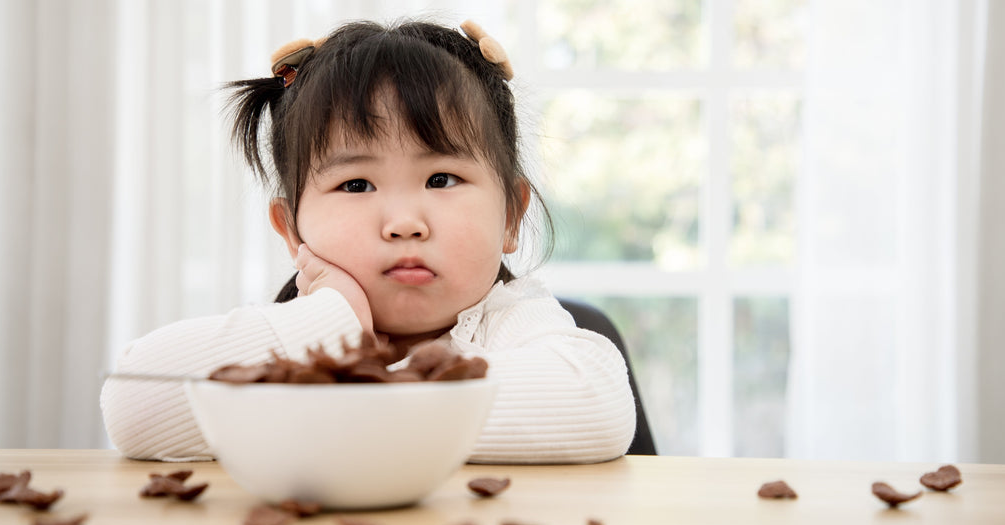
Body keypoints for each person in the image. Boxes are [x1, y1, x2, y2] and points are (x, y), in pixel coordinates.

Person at [100, 19, 636, 464]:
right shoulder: (291, 335)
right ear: (292, 230)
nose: (404, 222)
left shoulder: (515, 320)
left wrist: (342, 405)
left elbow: (598, 403)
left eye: (442, 180)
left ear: (512, 218)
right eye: (356, 185)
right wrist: (334, 319)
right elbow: (134, 403)